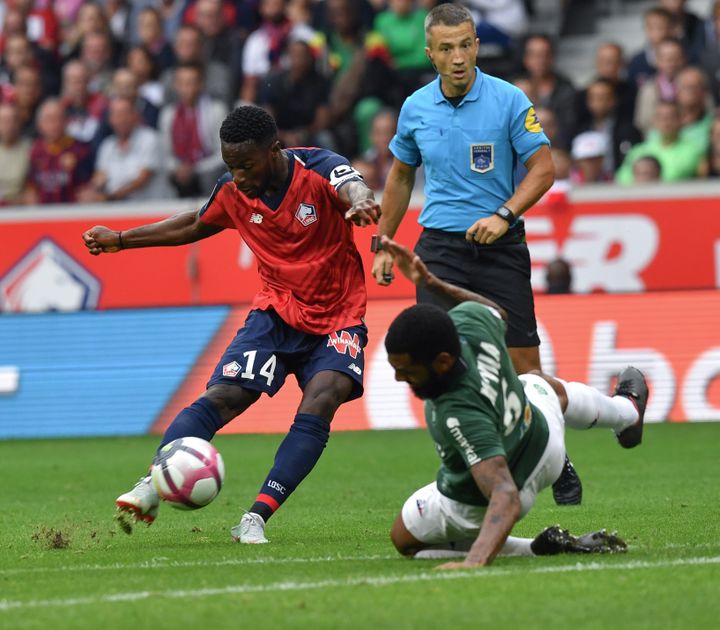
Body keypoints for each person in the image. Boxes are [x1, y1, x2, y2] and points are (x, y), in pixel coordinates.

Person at [81, 105, 381, 543]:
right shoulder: (233, 191)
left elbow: (352, 186)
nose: (238, 175)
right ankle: (153, 482)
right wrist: (122, 241)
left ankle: (255, 517)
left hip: (338, 316)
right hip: (275, 313)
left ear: (274, 150)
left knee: (322, 399)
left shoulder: (318, 167)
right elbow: (193, 225)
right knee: (223, 396)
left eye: (247, 164)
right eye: (230, 165)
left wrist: (362, 202)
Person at [371, 3, 582, 506]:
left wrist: (504, 215)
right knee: (438, 367)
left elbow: (544, 169)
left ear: (477, 45)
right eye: (447, 48)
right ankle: (465, 466)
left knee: (525, 368)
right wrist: (382, 242)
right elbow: (400, 176)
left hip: (499, 247)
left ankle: (557, 452)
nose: (459, 57)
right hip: (438, 250)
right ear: (430, 53)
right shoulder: (416, 107)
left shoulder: (509, 100)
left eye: (466, 44)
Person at [381, 235, 646, 567]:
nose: (399, 379)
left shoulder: (455, 410)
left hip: (509, 489)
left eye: (407, 371)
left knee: (404, 539)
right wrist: (432, 283)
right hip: (545, 437)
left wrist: (473, 563)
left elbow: (504, 497)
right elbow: (496, 312)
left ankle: (532, 548)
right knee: (537, 381)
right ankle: (627, 412)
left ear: (444, 361)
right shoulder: (472, 327)